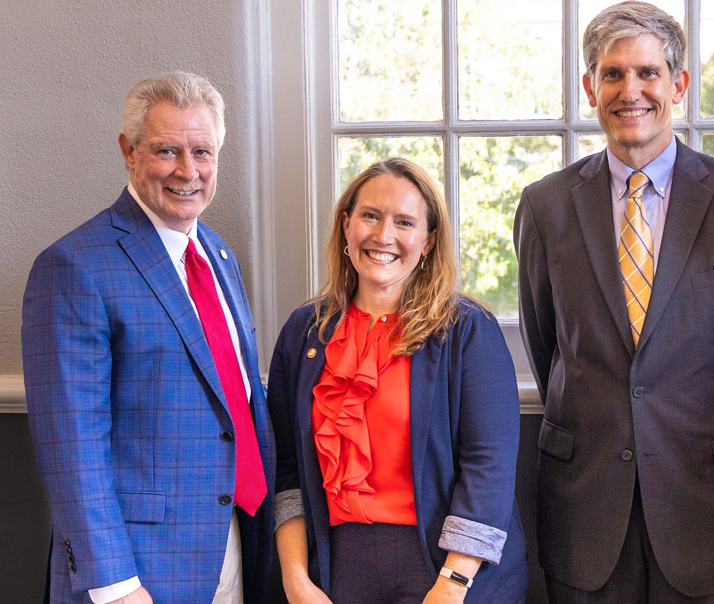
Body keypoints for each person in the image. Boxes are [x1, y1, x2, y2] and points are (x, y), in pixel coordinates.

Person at [514, 2, 714, 601]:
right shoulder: (544, 207)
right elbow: (547, 341)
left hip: (709, 503)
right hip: (585, 510)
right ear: (589, 87)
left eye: (648, 73)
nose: (631, 91)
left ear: (678, 85)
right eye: (613, 74)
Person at [22, 72, 275, 604]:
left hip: (231, 545)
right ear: (129, 152)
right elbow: (73, 447)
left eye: (202, 152)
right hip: (136, 573)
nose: (188, 171)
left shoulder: (218, 255)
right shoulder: (74, 266)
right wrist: (114, 585)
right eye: (167, 151)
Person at [269, 158, 527, 603]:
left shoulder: (466, 330)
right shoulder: (304, 332)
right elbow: (286, 471)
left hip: (446, 571)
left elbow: (489, 471)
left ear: (427, 242)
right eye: (370, 215)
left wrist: (451, 587)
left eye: (404, 222)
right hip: (332, 572)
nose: (383, 236)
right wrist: (296, 582)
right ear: (347, 225)